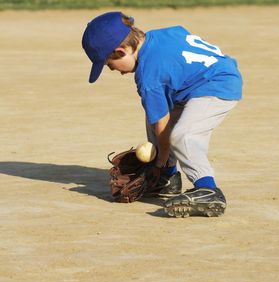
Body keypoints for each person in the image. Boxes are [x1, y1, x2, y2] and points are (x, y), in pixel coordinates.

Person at [82, 11, 242, 218]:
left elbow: (163, 129)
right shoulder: (158, 37)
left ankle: (208, 189)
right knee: (155, 118)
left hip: (218, 85)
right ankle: (168, 179)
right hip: (197, 82)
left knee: (183, 135)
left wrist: (157, 164)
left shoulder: (149, 77)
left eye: (109, 64)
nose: (114, 70)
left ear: (121, 51)